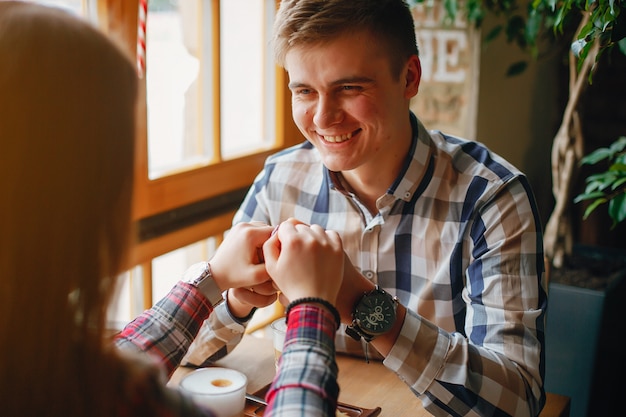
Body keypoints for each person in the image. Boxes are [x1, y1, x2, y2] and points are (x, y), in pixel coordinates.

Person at [183, 1, 548, 416]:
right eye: (304, 91)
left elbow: (518, 402)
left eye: (350, 88)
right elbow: (187, 352)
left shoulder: (492, 198)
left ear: (409, 77)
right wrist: (234, 299)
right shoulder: (278, 181)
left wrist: (358, 300)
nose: (323, 118)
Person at [0, 2, 342, 416]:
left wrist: (211, 278)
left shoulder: (51, 366)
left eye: (351, 87)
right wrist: (311, 310)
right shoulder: (104, 389)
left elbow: (114, 362)